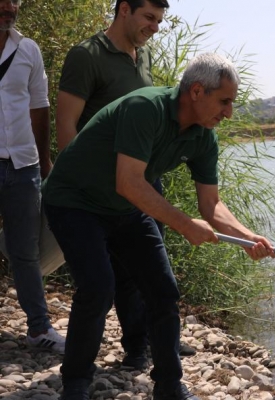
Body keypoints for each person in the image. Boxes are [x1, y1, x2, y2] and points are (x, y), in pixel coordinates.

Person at [43, 53, 275, 400]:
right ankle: (75, 385)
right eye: (224, 101)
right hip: (75, 202)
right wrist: (184, 225)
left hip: (126, 208)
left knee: (163, 291)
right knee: (98, 288)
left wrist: (246, 237)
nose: (228, 112)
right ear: (197, 91)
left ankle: (169, 386)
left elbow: (210, 205)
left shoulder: (204, 135)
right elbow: (130, 182)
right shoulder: (144, 108)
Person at [54, 0, 196, 369]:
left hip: (144, 180)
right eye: (149, 17)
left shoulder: (142, 55)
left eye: (160, 20)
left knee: (148, 268)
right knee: (110, 276)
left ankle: (153, 342)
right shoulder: (87, 56)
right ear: (124, 10)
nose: (155, 27)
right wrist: (78, 181)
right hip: (98, 187)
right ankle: (131, 348)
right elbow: (66, 124)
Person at [0, 0, 64, 353]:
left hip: (23, 166)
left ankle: (39, 329)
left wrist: (44, 160)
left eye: (14, 0)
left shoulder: (28, 49)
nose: (9, 6)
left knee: (25, 251)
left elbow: (39, 105)